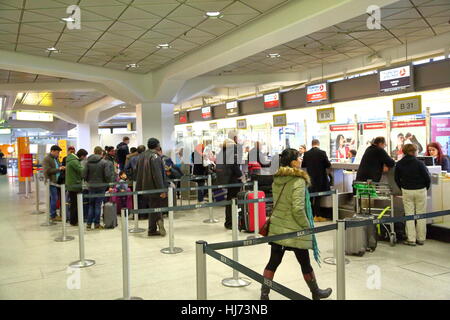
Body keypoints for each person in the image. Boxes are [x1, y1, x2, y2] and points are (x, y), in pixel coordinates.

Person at [260, 148, 332, 300]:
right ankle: (316, 292)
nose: (301, 160)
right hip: (294, 229)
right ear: (293, 162)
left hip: (278, 226)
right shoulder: (298, 180)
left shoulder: (277, 179)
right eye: (299, 158)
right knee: (305, 263)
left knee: (273, 261)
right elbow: (298, 209)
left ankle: (264, 294)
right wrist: (306, 226)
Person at [395, 144, 430, 246]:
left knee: (409, 215)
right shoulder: (420, 163)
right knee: (421, 214)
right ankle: (421, 238)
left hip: (407, 190)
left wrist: (402, 187)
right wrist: (425, 188)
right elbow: (427, 178)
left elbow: (396, 179)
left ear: (404, 152)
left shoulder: (400, 164)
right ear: (414, 152)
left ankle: (411, 239)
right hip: (420, 190)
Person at [135, 138, 167, 237]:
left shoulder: (142, 156)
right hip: (154, 187)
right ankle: (158, 221)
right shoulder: (155, 157)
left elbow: (138, 172)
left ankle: (152, 229)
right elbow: (157, 174)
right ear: (157, 145)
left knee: (153, 207)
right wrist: (161, 189)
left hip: (144, 187)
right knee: (156, 207)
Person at [216, 138, 244, 230]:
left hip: (226, 179)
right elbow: (234, 165)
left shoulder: (222, 152)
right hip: (234, 180)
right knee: (233, 201)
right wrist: (241, 175)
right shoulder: (232, 151)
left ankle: (228, 222)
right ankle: (231, 222)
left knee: (230, 201)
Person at [83, 146, 114, 230]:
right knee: (98, 205)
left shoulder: (88, 162)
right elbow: (107, 175)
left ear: (94, 151)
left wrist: (89, 181)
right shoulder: (104, 163)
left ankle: (89, 224)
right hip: (101, 186)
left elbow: (84, 175)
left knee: (91, 205)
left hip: (91, 186)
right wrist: (107, 183)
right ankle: (97, 224)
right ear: (101, 153)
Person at [301, 139, 331, 222]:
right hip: (320, 178)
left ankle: (310, 215)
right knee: (318, 197)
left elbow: (303, 165)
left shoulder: (306, 153)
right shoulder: (322, 153)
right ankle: (317, 216)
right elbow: (328, 164)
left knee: (310, 197)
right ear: (318, 144)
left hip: (310, 178)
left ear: (312, 144)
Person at [66, 148, 88, 226]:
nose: (85, 158)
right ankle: (74, 221)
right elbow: (82, 171)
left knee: (74, 204)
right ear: (82, 156)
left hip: (72, 184)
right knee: (75, 205)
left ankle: (74, 220)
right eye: (85, 157)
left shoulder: (72, 160)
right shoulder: (75, 162)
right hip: (75, 185)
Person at [42, 145, 65, 222]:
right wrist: (59, 169)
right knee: (54, 198)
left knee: (54, 198)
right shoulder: (47, 159)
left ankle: (53, 214)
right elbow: (47, 170)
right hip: (51, 182)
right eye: (57, 152)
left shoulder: (55, 159)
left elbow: (57, 167)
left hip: (57, 182)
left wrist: (61, 167)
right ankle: (53, 215)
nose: (58, 154)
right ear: (53, 151)